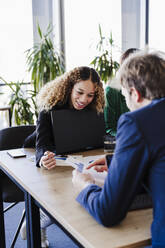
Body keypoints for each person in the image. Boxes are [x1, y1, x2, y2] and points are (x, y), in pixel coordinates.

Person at [72, 51, 165, 247]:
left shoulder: (137, 121)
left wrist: (85, 186)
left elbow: (108, 212)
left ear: (135, 94)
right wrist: (113, 161)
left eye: (125, 96)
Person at [21, 66, 105, 248]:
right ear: (69, 87)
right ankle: (37, 222)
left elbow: (94, 136)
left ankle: (39, 217)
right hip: (44, 149)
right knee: (59, 187)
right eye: (80, 92)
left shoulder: (93, 106)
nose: (84, 100)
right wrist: (44, 157)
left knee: (86, 180)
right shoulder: (50, 103)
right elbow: (42, 142)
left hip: (72, 152)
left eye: (90, 95)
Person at [104, 48, 139, 137]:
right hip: (125, 138)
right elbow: (109, 128)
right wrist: (128, 136)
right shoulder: (112, 91)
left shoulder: (149, 90)